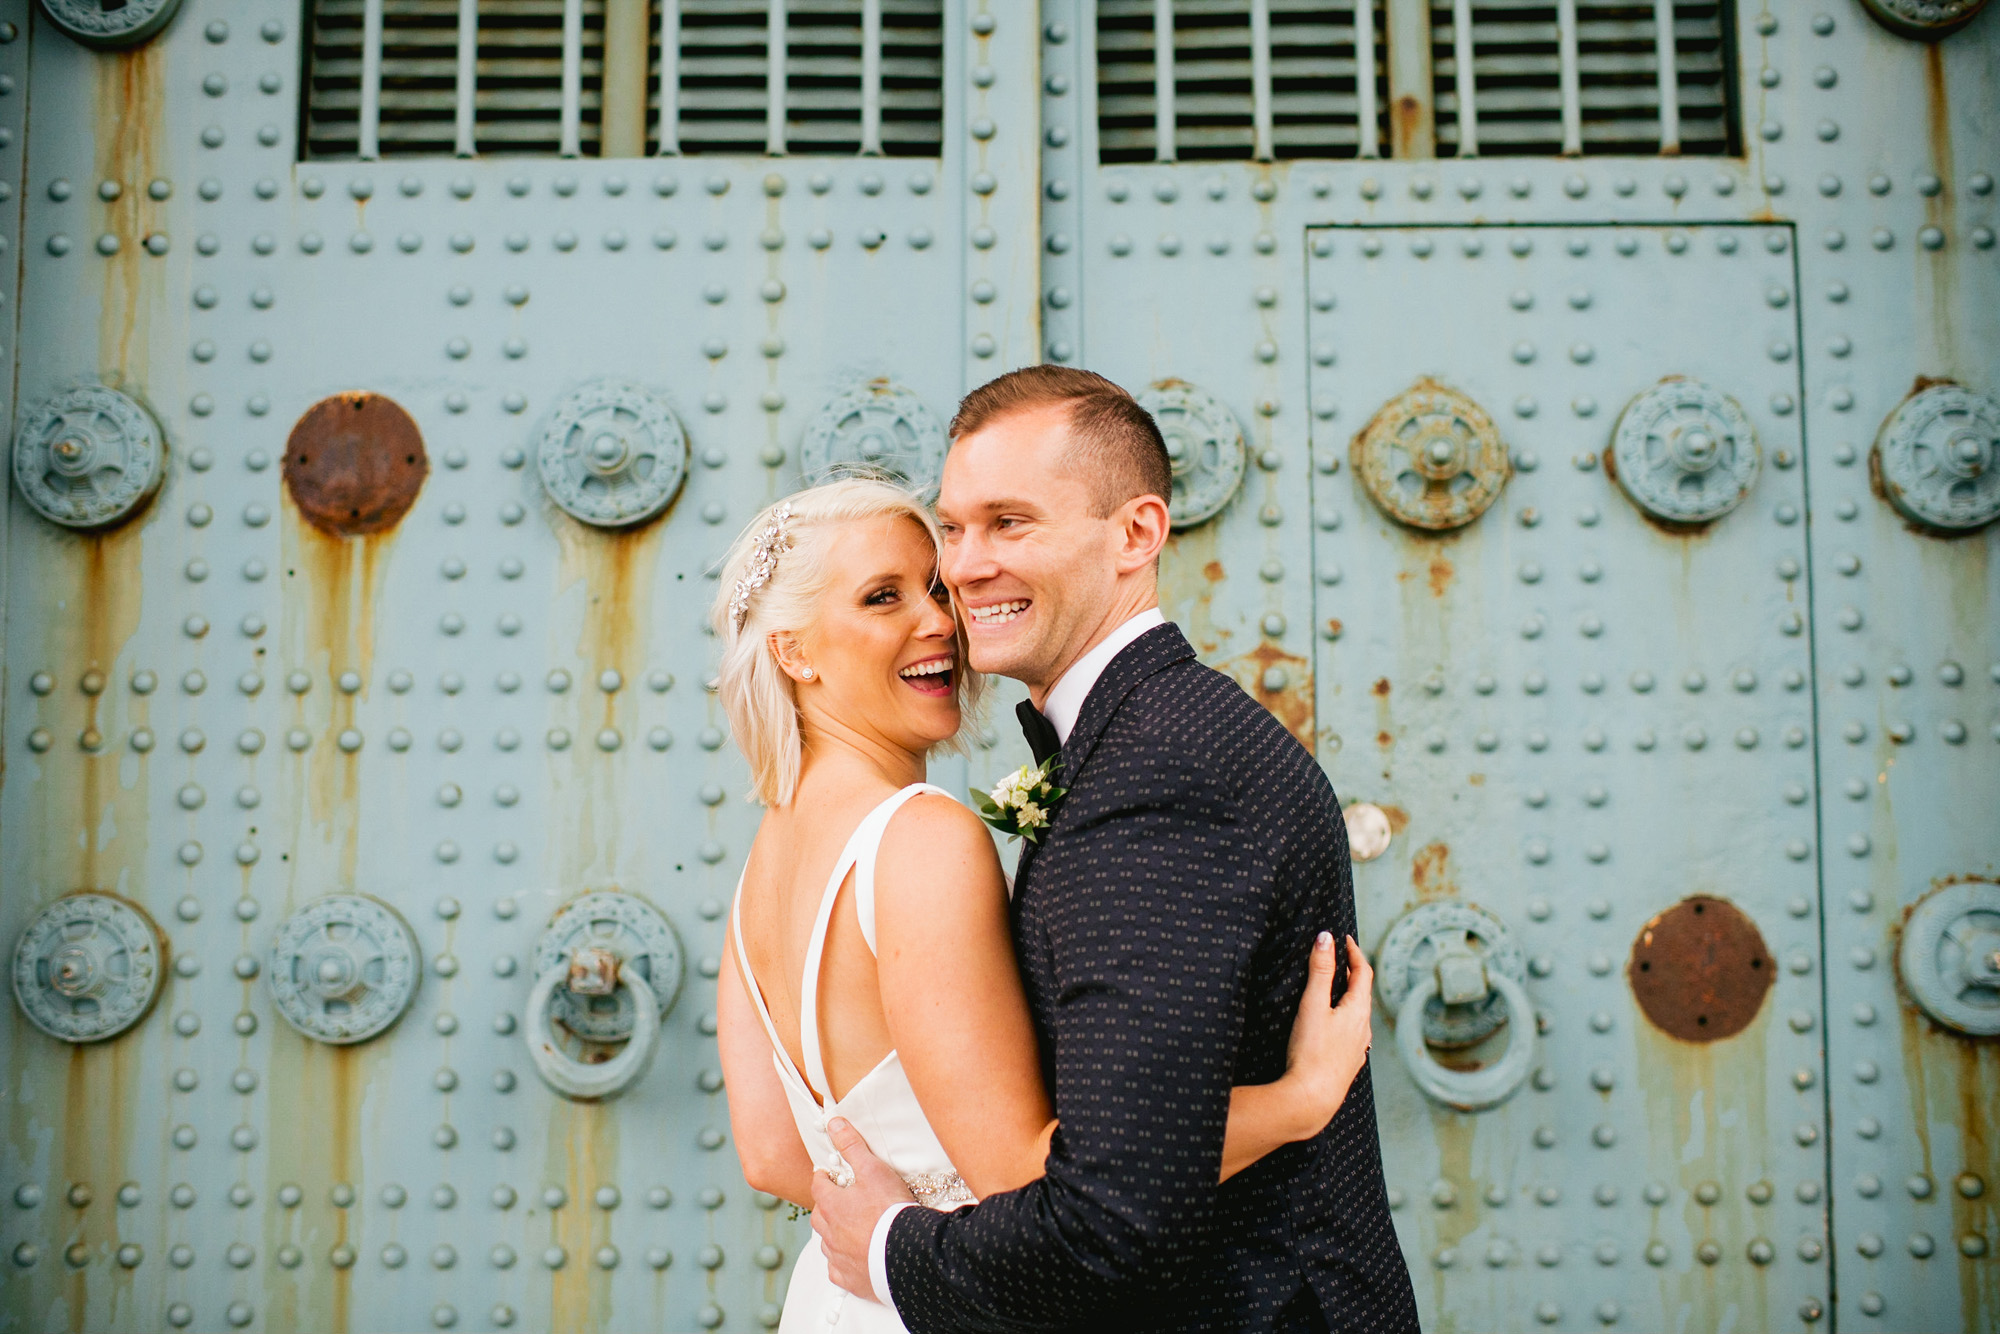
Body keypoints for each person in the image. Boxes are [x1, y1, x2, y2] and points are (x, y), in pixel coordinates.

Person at [805, 368, 1419, 1332]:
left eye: (1011, 524)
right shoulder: (1145, 743)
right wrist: (1296, 1102)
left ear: (1137, 533)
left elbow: (1109, 1222)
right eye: (955, 527)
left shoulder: (1160, 778)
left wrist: (889, 1249)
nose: (962, 567)